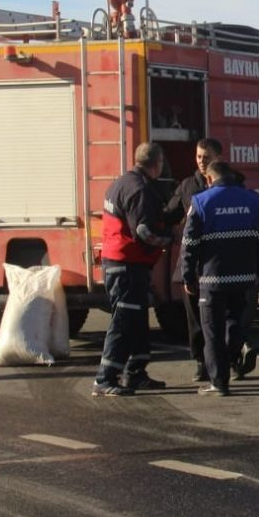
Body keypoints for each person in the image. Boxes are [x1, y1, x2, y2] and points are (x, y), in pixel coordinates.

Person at [182, 160, 259, 396]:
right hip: (243, 277)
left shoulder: (201, 202)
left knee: (212, 331)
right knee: (233, 320)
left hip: (213, 279)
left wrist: (187, 275)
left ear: (210, 179)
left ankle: (219, 383)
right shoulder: (253, 200)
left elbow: (189, 244)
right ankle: (235, 347)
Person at [94, 142, 173, 397]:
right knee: (124, 321)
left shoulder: (121, 182)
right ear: (157, 163)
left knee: (137, 319)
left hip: (119, 262)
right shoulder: (141, 190)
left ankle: (136, 372)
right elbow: (144, 231)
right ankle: (104, 379)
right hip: (127, 265)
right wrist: (168, 241)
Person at [163, 138, 224, 383]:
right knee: (195, 317)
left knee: (222, 314)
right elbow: (170, 214)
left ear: (218, 158)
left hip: (218, 262)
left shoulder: (229, 185)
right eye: (198, 157)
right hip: (193, 263)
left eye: (206, 157)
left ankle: (227, 358)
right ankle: (200, 362)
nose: (201, 162)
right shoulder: (188, 186)